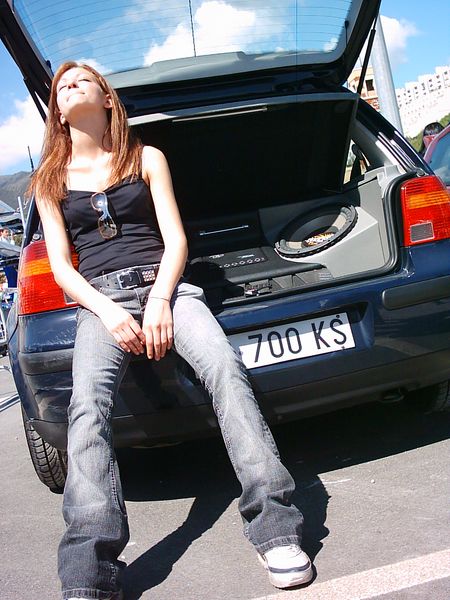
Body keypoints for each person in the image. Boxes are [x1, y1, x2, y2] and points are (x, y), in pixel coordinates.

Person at [29, 61, 313, 600]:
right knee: (87, 407)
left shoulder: (146, 157)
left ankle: (276, 528)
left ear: (107, 98)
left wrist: (160, 300)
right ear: (58, 112)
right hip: (100, 302)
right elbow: (62, 267)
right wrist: (110, 313)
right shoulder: (48, 179)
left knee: (226, 370)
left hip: (167, 288)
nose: (70, 87)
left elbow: (175, 239)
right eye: (61, 86)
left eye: (82, 80)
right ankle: (89, 570)